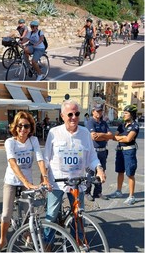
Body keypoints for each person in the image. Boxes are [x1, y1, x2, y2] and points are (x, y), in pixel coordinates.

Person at [43, 100, 106, 240]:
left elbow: (92, 157)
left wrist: (99, 169)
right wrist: (44, 178)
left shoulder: (84, 133)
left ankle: (77, 243)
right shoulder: (54, 133)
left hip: (77, 182)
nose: (74, 117)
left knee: (78, 215)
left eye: (76, 113)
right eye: (70, 114)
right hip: (57, 182)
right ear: (62, 116)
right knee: (51, 214)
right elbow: (46, 158)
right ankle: (47, 244)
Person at [0, 111, 49, 252]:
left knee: (29, 212)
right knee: (6, 213)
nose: (23, 129)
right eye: (20, 126)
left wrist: (45, 178)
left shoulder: (33, 141)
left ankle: (28, 234)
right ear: (15, 127)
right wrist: (25, 182)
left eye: (27, 126)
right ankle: (3, 240)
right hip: (12, 180)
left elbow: (40, 159)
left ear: (31, 128)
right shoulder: (10, 142)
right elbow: (12, 163)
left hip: (27, 182)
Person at [109, 105, 140, 205]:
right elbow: (115, 137)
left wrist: (119, 137)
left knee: (130, 174)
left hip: (129, 152)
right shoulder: (122, 125)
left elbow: (128, 139)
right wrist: (121, 137)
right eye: (124, 113)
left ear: (132, 115)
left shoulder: (135, 126)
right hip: (120, 151)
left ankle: (131, 196)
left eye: (126, 113)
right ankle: (118, 191)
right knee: (120, 171)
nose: (124, 115)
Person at [84, 104, 113, 201]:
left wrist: (101, 135)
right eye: (97, 111)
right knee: (90, 172)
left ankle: (98, 192)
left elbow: (111, 135)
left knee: (101, 172)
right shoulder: (90, 122)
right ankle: (87, 192)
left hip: (103, 151)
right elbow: (93, 136)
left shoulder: (104, 123)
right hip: (93, 151)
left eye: (100, 111)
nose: (99, 113)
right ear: (93, 112)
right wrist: (105, 136)